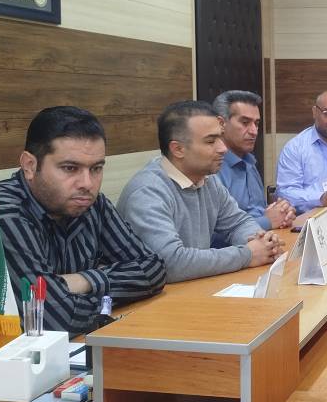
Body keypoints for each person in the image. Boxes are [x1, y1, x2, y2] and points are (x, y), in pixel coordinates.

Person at [0, 106, 167, 365]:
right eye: (70, 168)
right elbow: (52, 319)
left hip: (57, 355)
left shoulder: (91, 204)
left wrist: (81, 281)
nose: (87, 183)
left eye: (96, 168)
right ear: (30, 165)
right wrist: (97, 301)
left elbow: (153, 270)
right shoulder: (1, 214)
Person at [118, 101, 283, 282]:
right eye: (211, 141)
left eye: (220, 138)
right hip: (161, 296)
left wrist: (262, 241)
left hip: (194, 287)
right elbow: (170, 263)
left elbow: (238, 223)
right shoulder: (147, 192)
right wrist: (247, 254)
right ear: (178, 149)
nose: (223, 148)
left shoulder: (207, 179)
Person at [212, 90, 295, 230]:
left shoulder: (249, 161)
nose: (254, 131)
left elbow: (259, 211)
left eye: (256, 123)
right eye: (245, 123)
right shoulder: (212, 168)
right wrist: (267, 221)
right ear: (221, 124)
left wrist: (282, 213)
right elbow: (214, 232)